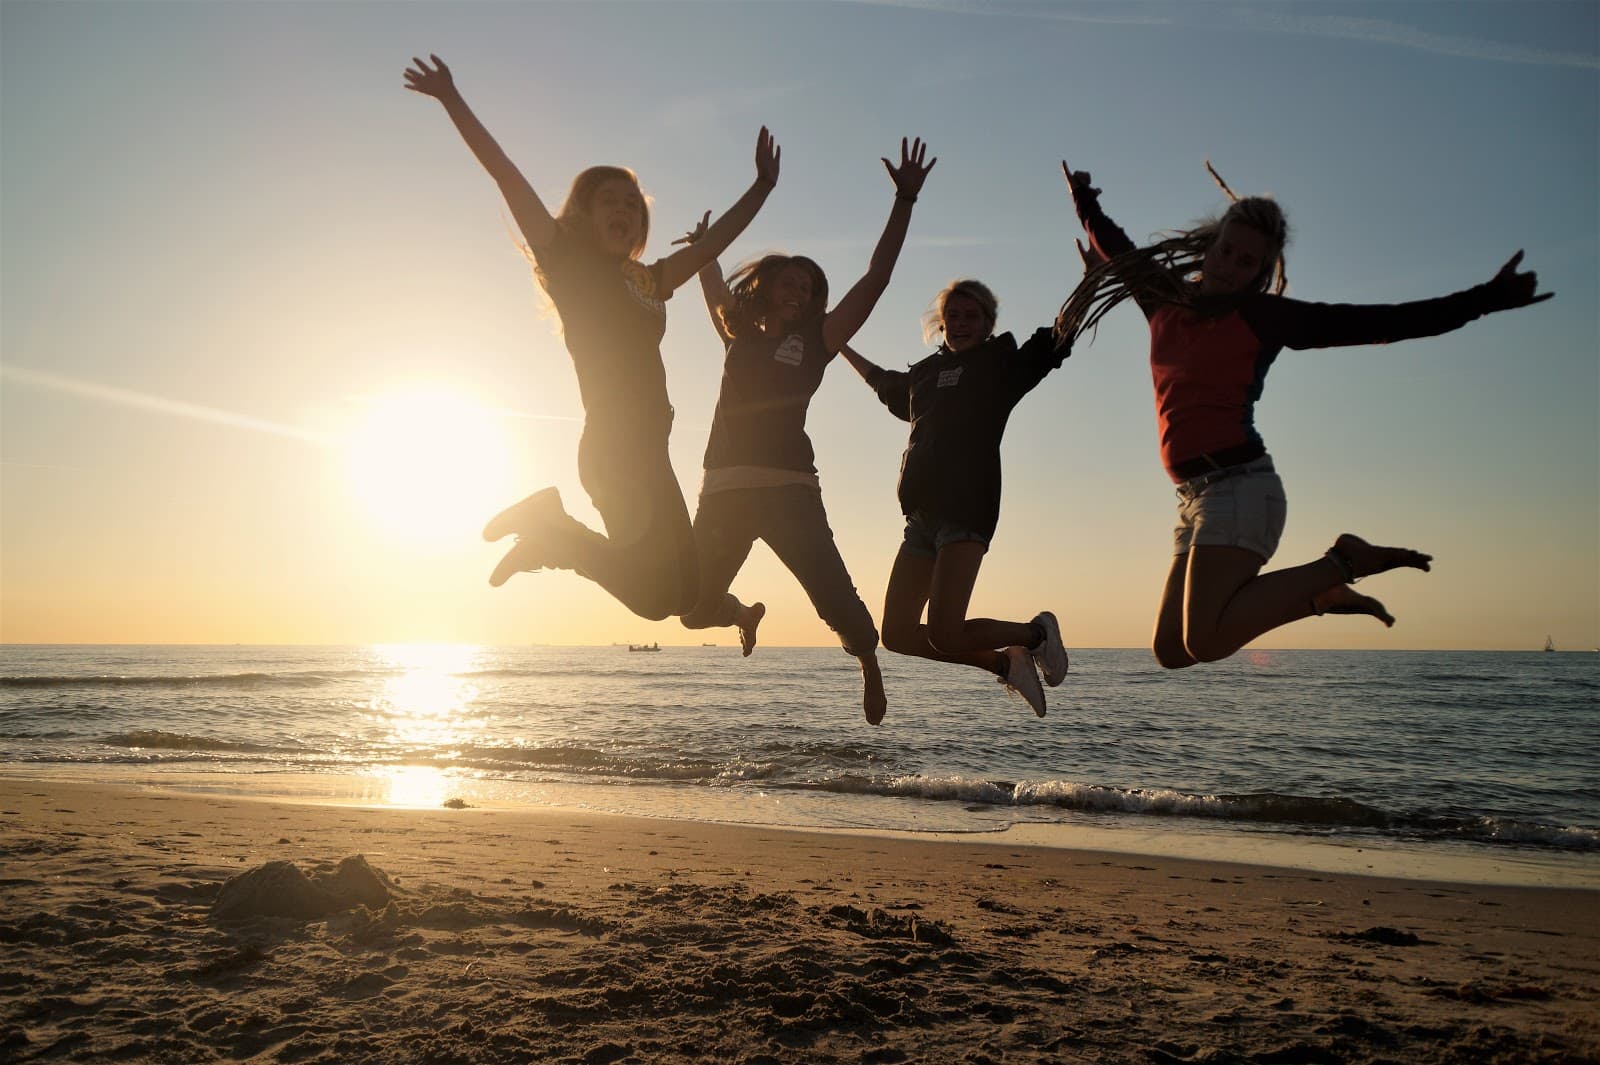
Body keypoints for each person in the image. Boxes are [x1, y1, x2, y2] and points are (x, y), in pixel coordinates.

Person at [1056, 161, 1552, 668]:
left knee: (1204, 642)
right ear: (1212, 243)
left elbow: (1382, 323)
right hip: (1192, 498)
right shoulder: (1163, 299)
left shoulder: (1263, 318)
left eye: (1247, 262)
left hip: (1239, 488)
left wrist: (1485, 300)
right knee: (1170, 652)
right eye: (1226, 250)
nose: (1230, 265)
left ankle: (1343, 561)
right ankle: (1319, 596)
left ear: (1260, 273)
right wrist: (1084, 200)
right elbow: (1114, 243)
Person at [404, 54, 780, 621]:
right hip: (614, 448)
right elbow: (507, 174)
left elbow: (706, 249)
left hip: (650, 448)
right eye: (610, 199)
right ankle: (551, 527)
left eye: (633, 204)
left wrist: (762, 188)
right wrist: (452, 99)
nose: (625, 209)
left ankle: (551, 536)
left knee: (686, 592)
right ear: (582, 212)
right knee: (659, 601)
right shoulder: (567, 263)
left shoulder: (647, 279)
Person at [674, 139, 936, 726]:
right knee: (690, 609)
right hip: (724, 490)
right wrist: (702, 248)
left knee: (837, 602)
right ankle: (742, 613)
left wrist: (905, 200)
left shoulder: (819, 343)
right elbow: (711, 283)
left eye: (806, 288)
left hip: (791, 491)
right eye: (787, 284)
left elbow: (878, 277)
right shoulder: (736, 336)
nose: (797, 293)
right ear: (764, 290)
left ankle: (867, 661)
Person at [838, 279, 1070, 718]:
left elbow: (1054, 340)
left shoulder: (1000, 366)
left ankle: (1035, 635)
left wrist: (1088, 284)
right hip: (921, 519)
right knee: (898, 635)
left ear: (988, 324)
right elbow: (885, 384)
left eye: (972, 316)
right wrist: (838, 345)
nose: (961, 324)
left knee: (946, 633)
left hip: (967, 510)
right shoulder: (924, 376)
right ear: (941, 325)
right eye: (954, 317)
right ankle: (1005, 663)